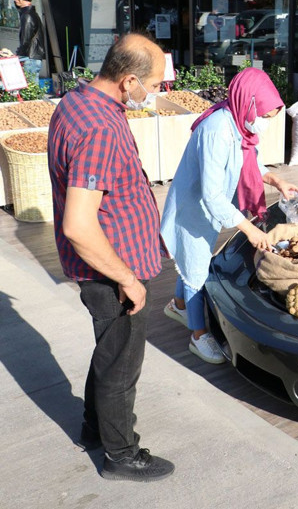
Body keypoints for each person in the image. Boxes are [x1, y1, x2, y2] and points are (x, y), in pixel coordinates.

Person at [47, 33, 175, 482]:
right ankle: (121, 455)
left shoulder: (78, 102)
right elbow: (79, 224)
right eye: (155, 84)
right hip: (112, 272)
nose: (158, 93)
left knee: (110, 352)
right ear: (129, 80)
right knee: (122, 364)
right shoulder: (99, 127)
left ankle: (93, 429)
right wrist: (128, 278)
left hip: (110, 265)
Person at [160, 67, 298, 364]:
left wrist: (277, 181)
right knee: (197, 270)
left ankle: (177, 305)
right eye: (264, 116)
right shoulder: (216, 131)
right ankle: (198, 336)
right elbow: (211, 196)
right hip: (195, 208)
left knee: (191, 260)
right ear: (248, 102)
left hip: (212, 207)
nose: (264, 124)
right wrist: (249, 230)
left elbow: (249, 163)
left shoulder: (239, 123)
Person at [14, 0, 45, 76]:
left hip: (29, 58)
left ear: (18, 0)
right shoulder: (32, 14)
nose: (15, 1)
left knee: (30, 86)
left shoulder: (27, 15)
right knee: (32, 85)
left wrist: (18, 55)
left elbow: (25, 40)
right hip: (33, 57)